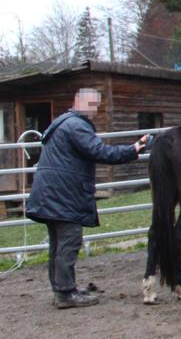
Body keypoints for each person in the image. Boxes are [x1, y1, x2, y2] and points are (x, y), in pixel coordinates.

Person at [26, 87, 150, 309]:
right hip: (63, 195)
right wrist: (134, 149)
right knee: (68, 243)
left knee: (58, 245)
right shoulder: (77, 126)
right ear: (77, 101)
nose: (94, 110)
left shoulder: (64, 122)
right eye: (91, 105)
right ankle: (65, 294)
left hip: (52, 194)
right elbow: (100, 152)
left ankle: (63, 288)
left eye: (96, 106)